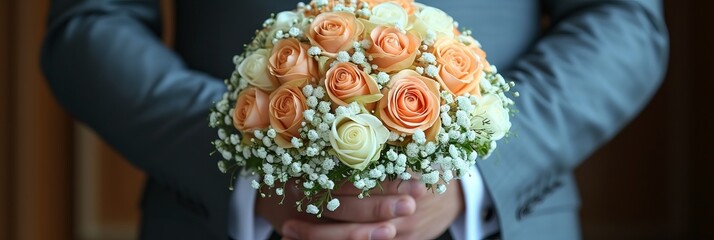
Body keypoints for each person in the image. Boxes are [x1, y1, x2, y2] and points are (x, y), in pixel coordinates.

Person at [41, 0, 668, 239]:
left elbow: (623, 18)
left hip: (506, 221)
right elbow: (90, 25)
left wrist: (471, 174)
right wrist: (249, 155)